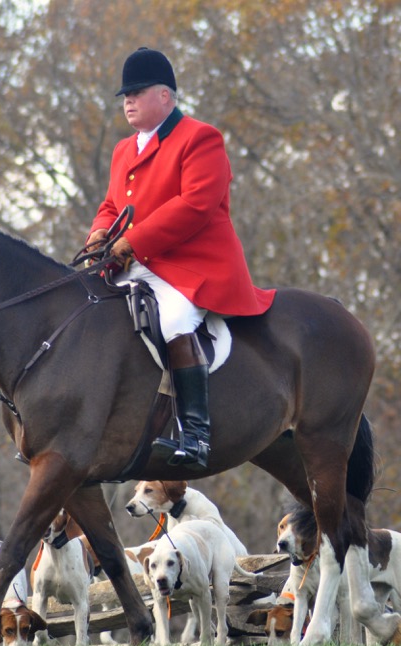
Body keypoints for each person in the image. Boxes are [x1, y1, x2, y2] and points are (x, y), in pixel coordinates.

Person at [85, 47, 275, 471]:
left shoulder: (200, 138)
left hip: (191, 265)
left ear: (166, 97)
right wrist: (101, 230)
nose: (127, 101)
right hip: (135, 262)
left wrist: (132, 241)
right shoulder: (123, 150)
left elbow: (195, 206)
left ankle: (195, 436)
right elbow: (112, 203)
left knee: (173, 321)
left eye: (136, 92)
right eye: (125, 95)